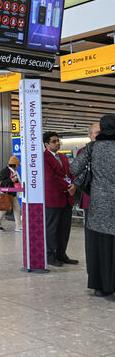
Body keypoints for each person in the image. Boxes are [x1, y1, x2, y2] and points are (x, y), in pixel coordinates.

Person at [70, 115, 115, 297]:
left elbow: (74, 170)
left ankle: (101, 287)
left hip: (99, 203)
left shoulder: (93, 147)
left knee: (101, 245)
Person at [43, 131, 78, 267]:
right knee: (52, 229)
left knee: (64, 229)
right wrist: (68, 185)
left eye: (58, 141)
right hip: (53, 199)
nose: (57, 143)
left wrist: (74, 185)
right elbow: (50, 177)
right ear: (46, 144)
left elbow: (71, 173)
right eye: (54, 141)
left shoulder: (63, 158)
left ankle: (61, 254)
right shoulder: (43, 158)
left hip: (66, 198)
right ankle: (50, 256)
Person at [75, 123, 100, 270]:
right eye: (97, 133)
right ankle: (94, 269)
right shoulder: (84, 153)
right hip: (91, 200)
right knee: (92, 238)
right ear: (89, 135)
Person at [0, 155, 22, 232]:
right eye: (18, 165)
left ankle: (18, 226)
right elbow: (1, 183)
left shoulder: (13, 171)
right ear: (15, 165)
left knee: (17, 209)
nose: (18, 166)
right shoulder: (5, 171)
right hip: (6, 194)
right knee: (4, 209)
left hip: (12, 193)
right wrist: (11, 180)